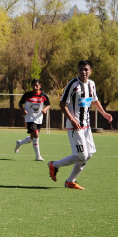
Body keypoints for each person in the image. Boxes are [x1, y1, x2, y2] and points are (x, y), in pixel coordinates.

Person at [48, 60, 113, 189]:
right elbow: (62, 104)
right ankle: (54, 165)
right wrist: (72, 119)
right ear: (78, 70)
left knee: (88, 155)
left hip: (86, 126)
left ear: (90, 71)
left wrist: (104, 113)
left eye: (86, 69)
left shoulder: (92, 84)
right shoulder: (73, 85)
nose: (83, 72)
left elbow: (94, 101)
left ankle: (70, 181)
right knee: (82, 155)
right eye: (81, 69)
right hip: (74, 126)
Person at [14, 79, 51, 161]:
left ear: (40, 86)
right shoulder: (27, 95)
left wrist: (45, 109)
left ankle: (19, 143)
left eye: (37, 85)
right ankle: (38, 156)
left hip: (39, 118)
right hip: (29, 117)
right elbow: (20, 103)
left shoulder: (43, 95)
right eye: (33, 86)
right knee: (36, 134)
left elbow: (48, 104)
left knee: (32, 137)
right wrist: (22, 110)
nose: (35, 87)